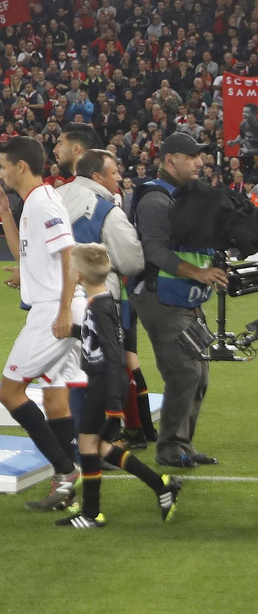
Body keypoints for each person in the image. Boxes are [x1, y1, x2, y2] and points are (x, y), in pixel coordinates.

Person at [0, 135, 83, 511]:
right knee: (55, 400)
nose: (1, 172)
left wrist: (62, 310)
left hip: (51, 313)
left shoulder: (42, 202)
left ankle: (65, 470)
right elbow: (22, 252)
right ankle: (67, 486)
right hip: (53, 306)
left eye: (4, 165)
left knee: (9, 393)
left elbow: (68, 254)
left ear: (21, 166)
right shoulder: (33, 203)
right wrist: (5, 212)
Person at [58, 244, 182, 530]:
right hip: (102, 385)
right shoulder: (103, 301)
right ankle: (160, 486)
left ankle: (92, 514)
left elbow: (114, 358)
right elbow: (104, 341)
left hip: (103, 387)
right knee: (97, 446)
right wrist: (75, 331)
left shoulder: (98, 308)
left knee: (89, 445)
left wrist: (114, 408)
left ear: (77, 276)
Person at [128, 131, 227, 469]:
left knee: (199, 374)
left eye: (201, 156)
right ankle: (170, 449)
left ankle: (182, 445)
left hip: (183, 297)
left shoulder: (186, 197)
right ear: (170, 160)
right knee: (184, 371)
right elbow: (153, 250)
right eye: (192, 156)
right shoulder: (156, 199)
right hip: (161, 297)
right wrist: (197, 273)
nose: (200, 162)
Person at [56, 147, 154, 450]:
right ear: (97, 175)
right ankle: (108, 437)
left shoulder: (53, 197)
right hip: (99, 298)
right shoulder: (106, 208)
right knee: (112, 365)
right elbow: (132, 261)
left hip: (57, 299)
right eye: (114, 172)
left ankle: (82, 438)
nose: (119, 177)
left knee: (71, 369)